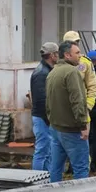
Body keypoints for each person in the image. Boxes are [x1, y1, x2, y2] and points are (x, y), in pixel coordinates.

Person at [45, 41, 89, 182]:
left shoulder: (53, 72)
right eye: (77, 53)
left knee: (56, 168)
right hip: (71, 130)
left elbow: (48, 102)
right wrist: (83, 125)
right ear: (67, 55)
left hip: (56, 128)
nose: (80, 55)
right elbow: (78, 101)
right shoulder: (72, 72)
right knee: (81, 168)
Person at [31, 42, 59, 171]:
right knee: (42, 151)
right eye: (57, 53)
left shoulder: (47, 70)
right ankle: (36, 182)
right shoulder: (41, 73)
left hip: (45, 117)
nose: (59, 56)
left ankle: (47, 179)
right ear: (52, 55)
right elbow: (41, 100)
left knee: (48, 151)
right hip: (43, 118)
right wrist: (49, 119)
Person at [62, 31, 96, 123]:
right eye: (72, 42)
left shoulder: (85, 62)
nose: (76, 45)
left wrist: (88, 106)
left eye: (77, 42)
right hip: (62, 111)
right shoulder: (58, 62)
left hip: (81, 111)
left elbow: (93, 86)